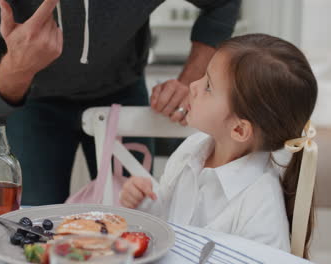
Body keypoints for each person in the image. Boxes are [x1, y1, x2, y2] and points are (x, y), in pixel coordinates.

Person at [0, 0, 241, 205]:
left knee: (137, 213)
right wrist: (17, 68)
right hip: (30, 103)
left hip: (121, 91)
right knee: (30, 227)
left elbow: (223, 2)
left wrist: (190, 81)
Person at [119, 34, 318, 256]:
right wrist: (146, 203)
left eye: (208, 87)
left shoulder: (261, 207)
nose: (193, 85)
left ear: (239, 130)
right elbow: (169, 226)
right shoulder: (192, 149)